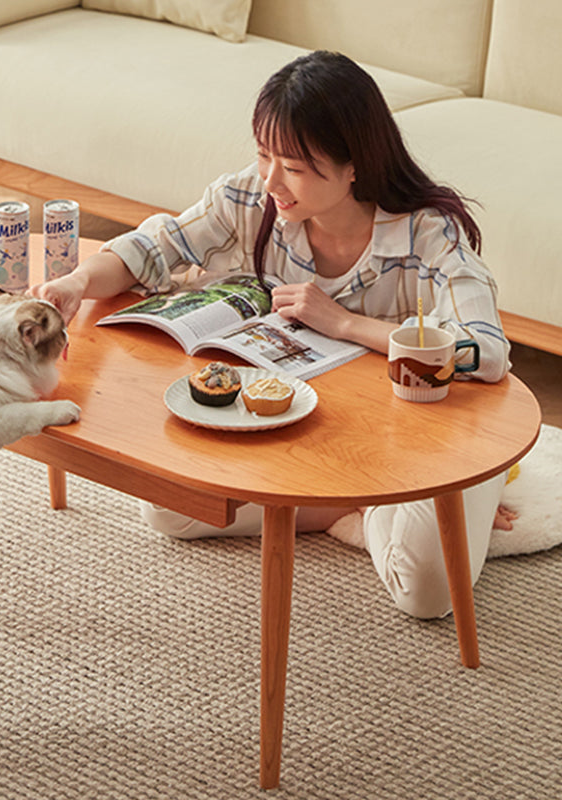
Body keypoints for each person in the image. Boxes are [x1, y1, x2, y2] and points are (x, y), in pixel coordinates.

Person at [31, 51, 516, 619]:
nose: (271, 180)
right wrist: (77, 281)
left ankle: (451, 491)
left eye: (294, 167)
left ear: (353, 164)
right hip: (320, 430)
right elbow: (156, 246)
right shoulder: (253, 198)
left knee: (427, 592)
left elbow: (485, 351)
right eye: (264, 155)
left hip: (424, 433)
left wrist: (344, 324)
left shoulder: (428, 233)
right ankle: (354, 509)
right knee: (170, 510)